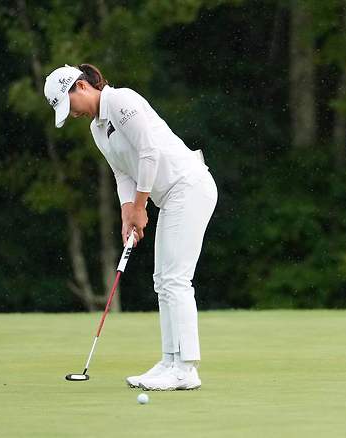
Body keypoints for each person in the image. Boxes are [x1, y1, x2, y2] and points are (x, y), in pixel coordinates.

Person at [43, 64, 217, 390]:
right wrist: (127, 213)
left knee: (176, 279)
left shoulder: (121, 101)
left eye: (70, 105)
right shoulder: (98, 128)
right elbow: (123, 172)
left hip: (189, 186)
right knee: (162, 280)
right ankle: (170, 361)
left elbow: (148, 153)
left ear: (81, 87)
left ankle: (186, 369)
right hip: (171, 196)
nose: (74, 115)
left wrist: (140, 206)